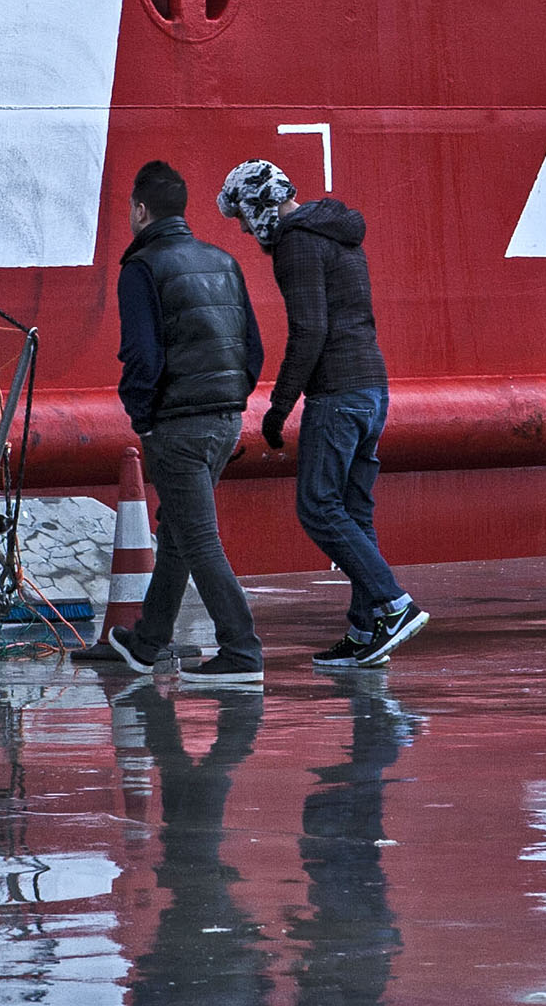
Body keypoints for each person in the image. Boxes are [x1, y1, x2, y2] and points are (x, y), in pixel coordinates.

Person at [217, 158, 426, 671]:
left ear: (259, 206)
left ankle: (393, 604)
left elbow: (309, 330)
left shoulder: (296, 242)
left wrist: (279, 405)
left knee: (317, 505)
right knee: (354, 511)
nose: (243, 229)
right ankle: (365, 630)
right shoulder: (338, 233)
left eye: (241, 216)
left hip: (337, 392)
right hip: (372, 388)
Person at [74, 159, 266, 684]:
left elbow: (143, 354)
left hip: (177, 424)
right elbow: (252, 349)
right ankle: (147, 642)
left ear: (140, 210)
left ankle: (242, 650)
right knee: (179, 532)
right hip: (224, 420)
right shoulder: (223, 261)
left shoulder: (142, 268)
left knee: (198, 538)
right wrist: (231, 399)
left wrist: (144, 417)